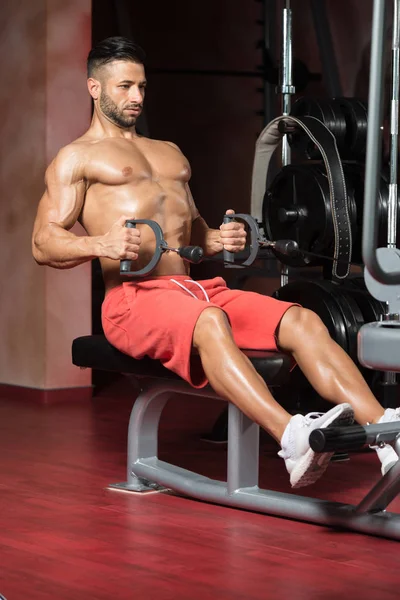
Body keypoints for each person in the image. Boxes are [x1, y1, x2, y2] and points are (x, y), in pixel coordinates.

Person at [32, 36, 400, 489]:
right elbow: (43, 243)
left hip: (196, 291)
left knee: (301, 321)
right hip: (133, 301)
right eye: (124, 86)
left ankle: (386, 436)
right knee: (208, 321)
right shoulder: (76, 158)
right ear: (94, 88)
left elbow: (193, 234)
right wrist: (99, 245)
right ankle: (291, 437)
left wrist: (219, 238)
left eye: (142, 87)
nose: (136, 97)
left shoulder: (168, 153)